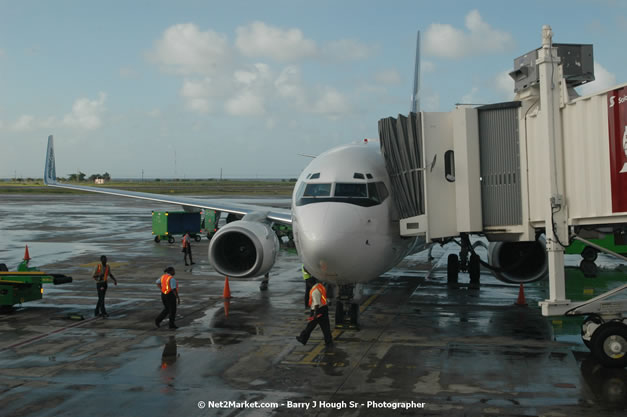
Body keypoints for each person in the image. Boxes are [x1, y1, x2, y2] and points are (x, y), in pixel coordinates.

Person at [296, 276, 333, 346]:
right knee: (325, 326)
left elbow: (316, 303)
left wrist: (315, 314)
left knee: (310, 326)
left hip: (317, 310)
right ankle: (329, 341)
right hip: (324, 308)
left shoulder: (315, 291)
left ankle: (303, 338)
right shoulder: (320, 286)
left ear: (310, 283)